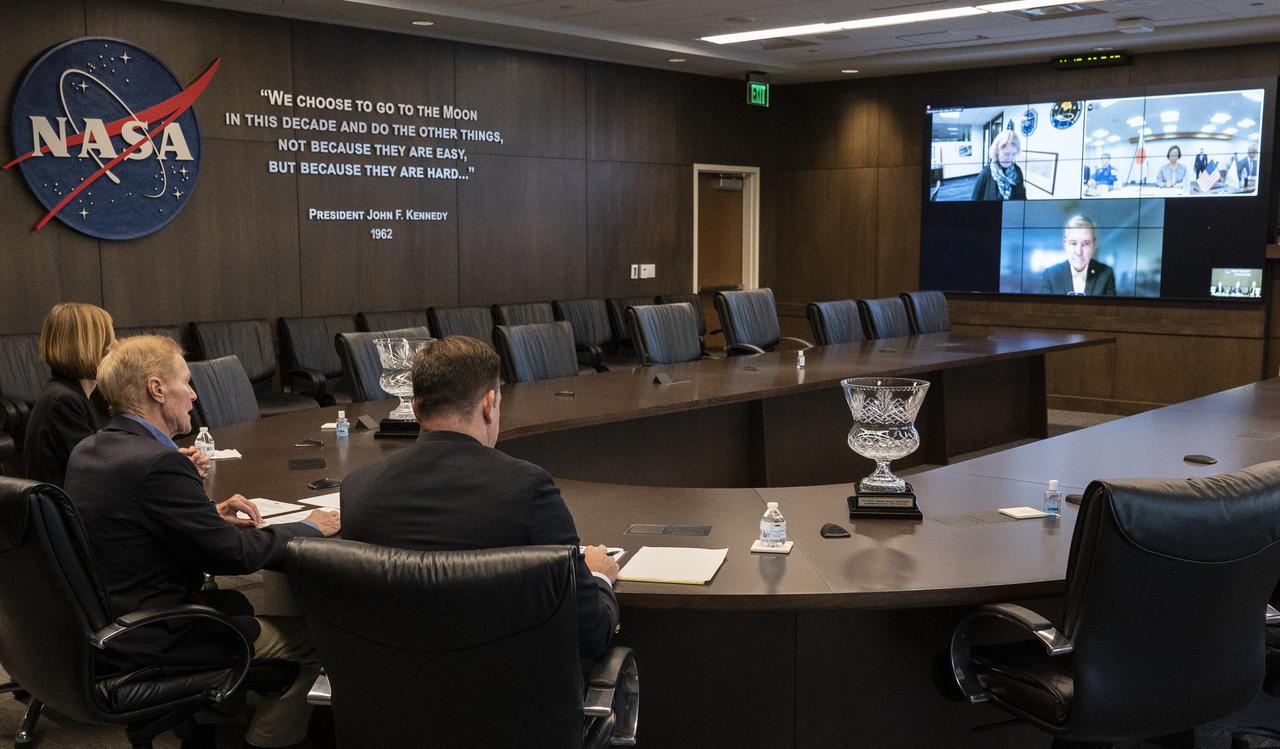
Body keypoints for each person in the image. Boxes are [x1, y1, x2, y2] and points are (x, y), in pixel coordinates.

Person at [64, 336, 341, 749]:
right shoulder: (156, 463)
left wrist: (207, 515)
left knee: (247, 611)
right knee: (322, 645)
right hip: (155, 637)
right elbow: (236, 556)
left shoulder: (90, 450)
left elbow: (129, 527)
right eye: (187, 382)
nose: (194, 394)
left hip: (105, 623)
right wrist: (311, 525)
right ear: (157, 389)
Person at [340, 335, 620, 660]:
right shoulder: (528, 489)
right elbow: (590, 633)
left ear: (415, 408)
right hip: (510, 703)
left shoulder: (357, 488)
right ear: (489, 404)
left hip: (386, 702)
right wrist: (599, 576)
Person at [24, 304, 211, 486]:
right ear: (88, 346)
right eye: (110, 337)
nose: (115, 345)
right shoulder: (64, 401)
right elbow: (99, 472)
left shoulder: (70, 393)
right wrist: (169, 468)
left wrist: (173, 461)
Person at [1039, 214, 1117, 296]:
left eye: (1086, 243)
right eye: (1073, 243)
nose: (1079, 252)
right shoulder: (1050, 275)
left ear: (1094, 245)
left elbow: (1109, 308)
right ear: (1065, 244)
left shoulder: (1106, 273)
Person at [970, 129, 1026, 201]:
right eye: (1006, 154)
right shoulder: (986, 173)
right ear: (997, 151)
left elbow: (1023, 200)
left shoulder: (1017, 171)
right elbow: (974, 201)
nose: (1010, 159)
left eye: (1013, 154)